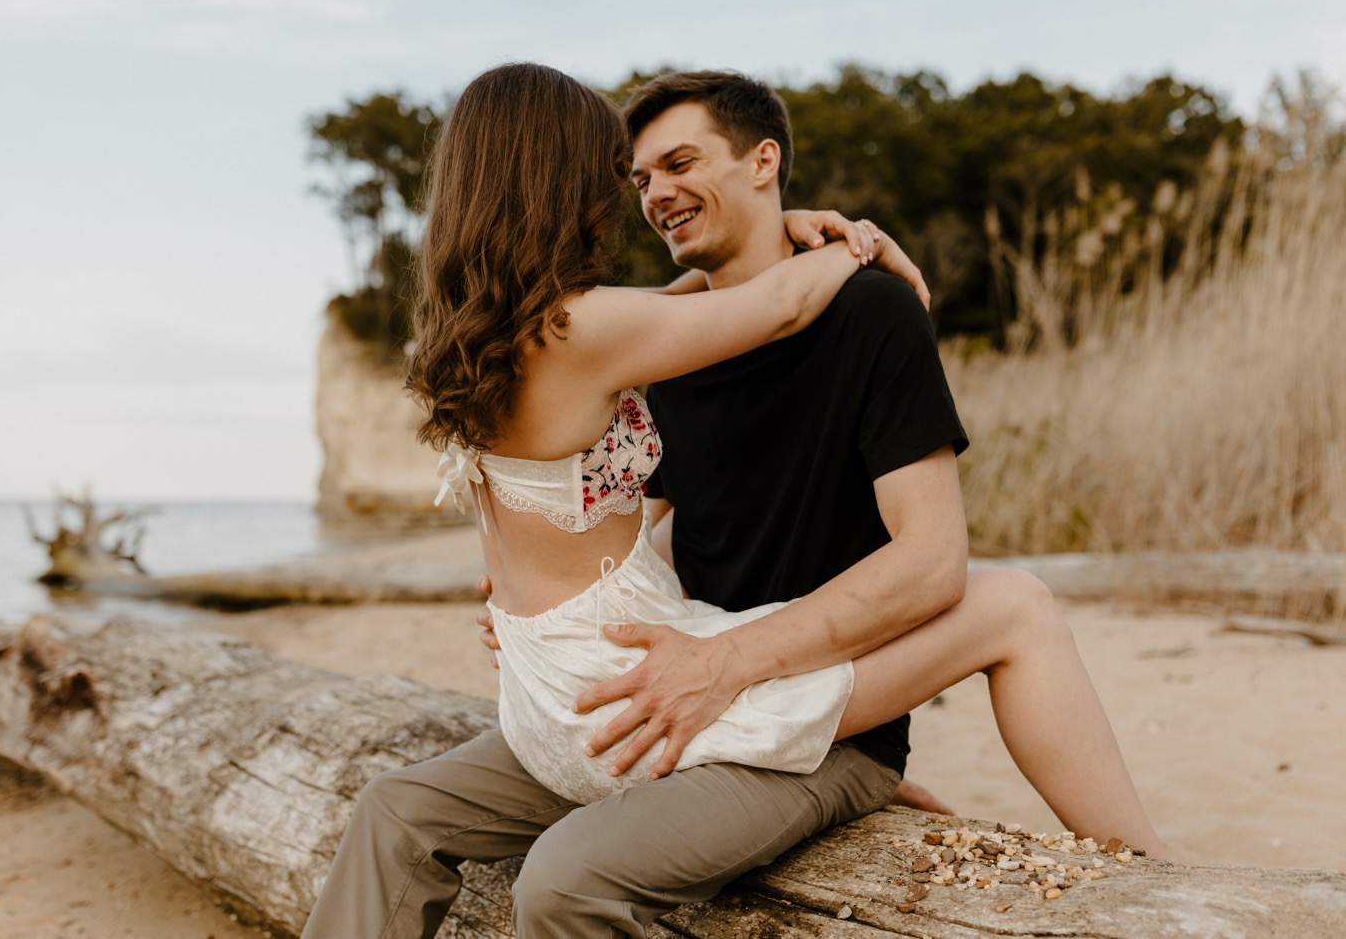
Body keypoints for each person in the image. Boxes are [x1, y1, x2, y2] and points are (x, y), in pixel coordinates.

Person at [301, 64, 1162, 939]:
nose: (652, 193)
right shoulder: (654, 347)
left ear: (764, 161)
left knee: (564, 876)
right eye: (638, 177)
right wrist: (549, 609)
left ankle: (1154, 890)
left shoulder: (867, 314)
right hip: (667, 683)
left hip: (800, 703)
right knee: (396, 810)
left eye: (678, 163)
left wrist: (731, 666)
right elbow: (674, 526)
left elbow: (933, 561)